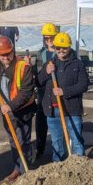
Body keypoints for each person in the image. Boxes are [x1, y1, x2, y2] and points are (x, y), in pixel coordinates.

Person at [0, 37, 36, 181]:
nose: (5, 57)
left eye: (8, 54)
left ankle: (25, 172)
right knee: (13, 141)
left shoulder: (23, 67)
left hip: (22, 111)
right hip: (5, 111)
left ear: (13, 51)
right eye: (2, 55)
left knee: (23, 141)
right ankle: (17, 168)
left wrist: (11, 106)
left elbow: (26, 92)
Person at [37, 32, 88, 161]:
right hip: (52, 111)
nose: (60, 50)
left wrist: (64, 91)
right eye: (58, 47)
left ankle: (79, 165)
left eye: (64, 47)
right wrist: (46, 72)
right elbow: (38, 82)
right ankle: (58, 169)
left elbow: (83, 85)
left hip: (71, 110)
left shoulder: (78, 64)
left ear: (69, 47)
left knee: (76, 139)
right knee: (56, 142)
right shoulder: (49, 64)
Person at [34, 23, 58, 159]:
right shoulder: (40, 54)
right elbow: (36, 75)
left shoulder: (60, 52)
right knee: (40, 123)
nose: (49, 40)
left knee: (55, 123)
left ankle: (58, 150)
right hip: (43, 93)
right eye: (46, 38)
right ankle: (39, 148)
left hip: (55, 93)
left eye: (51, 37)